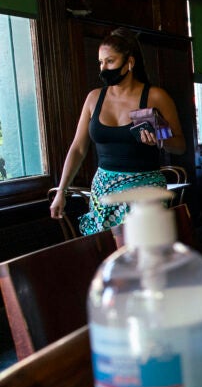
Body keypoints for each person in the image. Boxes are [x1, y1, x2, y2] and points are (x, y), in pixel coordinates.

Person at [50, 27, 185, 235]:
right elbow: (78, 148)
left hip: (146, 189)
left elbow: (180, 146)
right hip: (103, 190)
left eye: (110, 61)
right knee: (108, 254)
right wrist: (62, 190)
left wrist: (160, 139)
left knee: (140, 257)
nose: (103, 68)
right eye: (101, 62)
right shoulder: (93, 98)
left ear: (129, 62)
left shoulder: (156, 96)